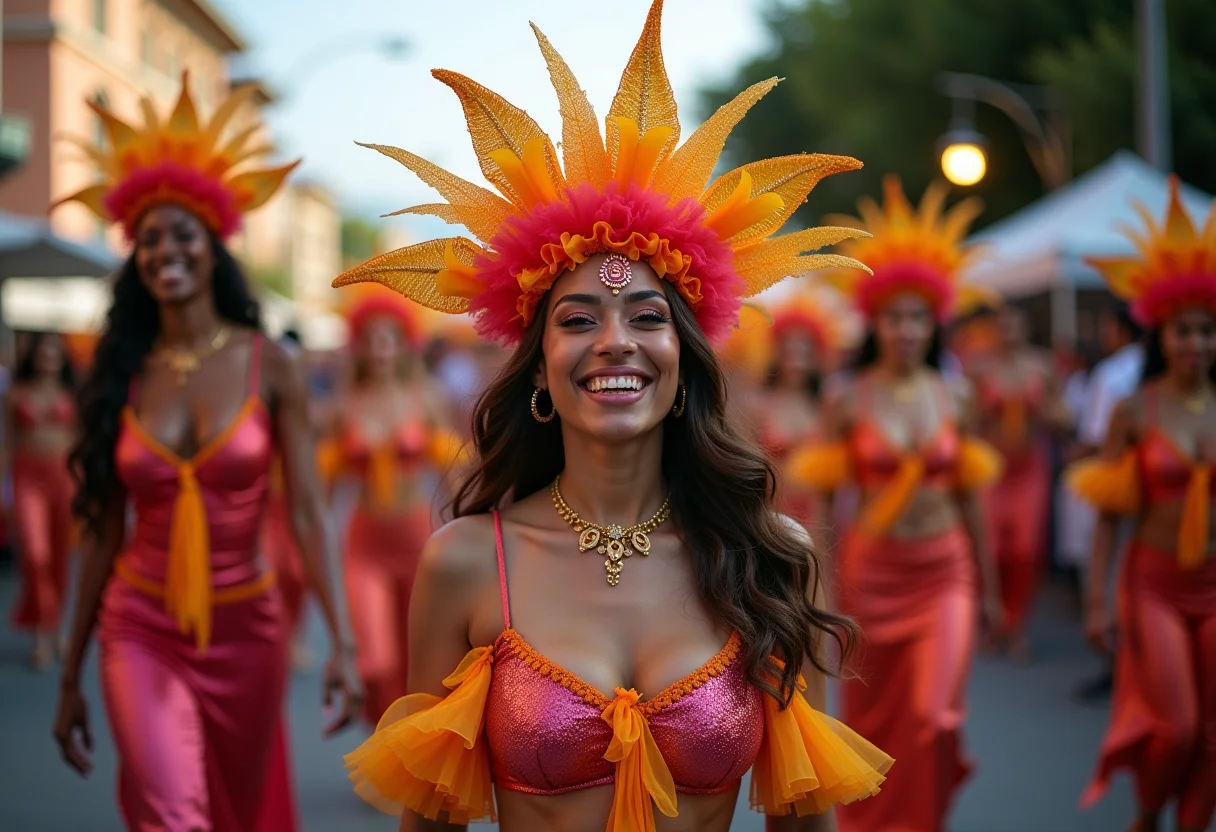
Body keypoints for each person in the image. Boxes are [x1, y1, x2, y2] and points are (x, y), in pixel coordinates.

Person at [336, 2, 893, 829]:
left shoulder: (770, 556)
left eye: (647, 317)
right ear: (539, 367)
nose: (614, 343)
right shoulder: (464, 563)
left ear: (686, 363)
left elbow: (804, 818)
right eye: (577, 319)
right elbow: (431, 822)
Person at [48, 75, 362, 831]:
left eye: (181, 233)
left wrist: (342, 644)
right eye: (149, 239)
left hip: (245, 631)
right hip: (139, 629)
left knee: (237, 810)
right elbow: (99, 531)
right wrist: (68, 673)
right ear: (136, 258)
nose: (165, 250)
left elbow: (310, 517)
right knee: (172, 812)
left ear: (213, 244)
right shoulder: (120, 372)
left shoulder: (270, 363)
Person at [789, 176, 1003, 832]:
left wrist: (991, 590)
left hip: (946, 572)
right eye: (894, 317)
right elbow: (821, 509)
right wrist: (817, 599)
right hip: (872, 575)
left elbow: (972, 502)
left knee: (933, 717)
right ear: (874, 320)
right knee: (880, 724)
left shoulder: (956, 397)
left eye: (917, 318)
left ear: (932, 321)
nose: (906, 330)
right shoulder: (845, 400)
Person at [1069, 177, 1216, 832]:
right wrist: (1098, 601)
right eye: (1184, 331)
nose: (1196, 344)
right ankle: (1148, 814)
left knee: (1213, 733)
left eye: (1207, 332)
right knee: (1179, 726)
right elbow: (1108, 514)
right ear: (1162, 332)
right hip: (1153, 583)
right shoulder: (1134, 410)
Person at [326, 285, 460, 725]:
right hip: (364, 543)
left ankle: (407, 755)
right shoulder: (345, 405)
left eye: (389, 338)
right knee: (375, 661)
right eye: (370, 339)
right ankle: (382, 745)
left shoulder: (427, 399)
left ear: (404, 344)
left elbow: (456, 470)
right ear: (359, 347)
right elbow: (322, 482)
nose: (380, 349)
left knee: (416, 658)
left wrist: (471, 529)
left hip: (417, 541)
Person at [968, 304, 1071, 658]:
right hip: (994, 470)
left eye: (1015, 322)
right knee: (991, 549)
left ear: (1025, 327)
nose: (1009, 329)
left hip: (1029, 470)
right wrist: (987, 406)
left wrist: (1042, 409)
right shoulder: (980, 367)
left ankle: (1016, 626)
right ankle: (992, 620)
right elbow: (968, 423)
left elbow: (1063, 417)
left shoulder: (1042, 366)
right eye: (1002, 324)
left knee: (1027, 550)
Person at [4, 331, 77, 669]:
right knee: (36, 555)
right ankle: (41, 632)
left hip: (63, 477)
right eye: (43, 351)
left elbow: (81, 442)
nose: (48, 356)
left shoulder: (71, 394)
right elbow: (5, 443)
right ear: (33, 355)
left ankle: (53, 628)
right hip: (27, 476)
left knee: (60, 555)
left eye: (54, 351)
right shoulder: (16, 395)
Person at [752, 298, 841, 534]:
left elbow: (832, 481)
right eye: (790, 349)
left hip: (816, 516)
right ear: (777, 352)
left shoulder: (825, 406)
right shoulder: (759, 406)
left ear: (816, 356)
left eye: (804, 350)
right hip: (771, 515)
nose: (796, 358)